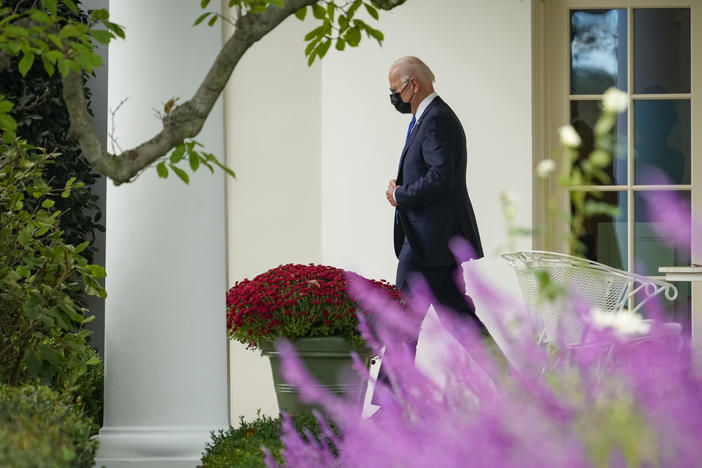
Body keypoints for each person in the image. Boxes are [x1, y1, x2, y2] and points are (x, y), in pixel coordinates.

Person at [385, 56, 487, 336]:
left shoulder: (436, 119)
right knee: (461, 322)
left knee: (401, 325)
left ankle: (391, 383)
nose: (394, 97)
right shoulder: (428, 119)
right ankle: (508, 380)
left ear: (413, 85)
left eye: (395, 91)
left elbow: (441, 176)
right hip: (435, 242)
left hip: (426, 244)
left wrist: (401, 194)